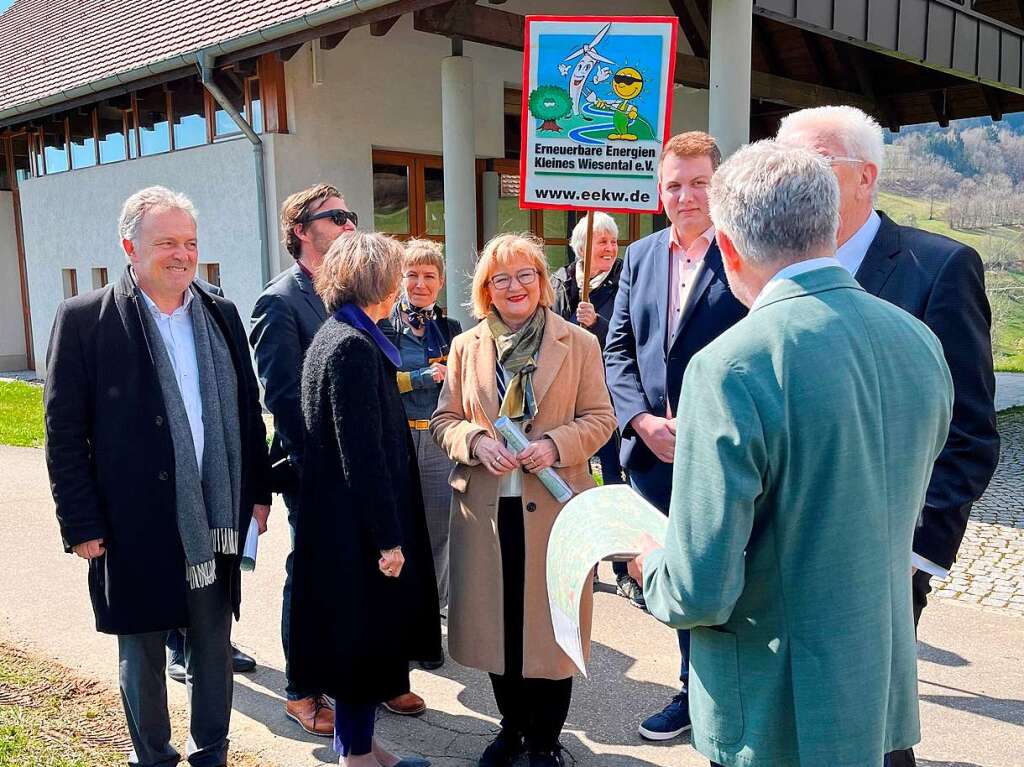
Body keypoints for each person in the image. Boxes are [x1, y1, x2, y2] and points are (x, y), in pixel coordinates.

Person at [631, 141, 954, 767]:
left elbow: (699, 588)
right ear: (829, 224)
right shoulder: (917, 340)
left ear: (726, 246)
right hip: (877, 680)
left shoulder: (729, 365)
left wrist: (648, 565)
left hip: (776, 700)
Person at [776, 106, 1000, 767]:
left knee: (869, 729)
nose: (795, 180)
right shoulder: (771, 264)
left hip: (881, 557)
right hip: (783, 547)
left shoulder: (939, 267)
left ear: (865, 175)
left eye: (813, 163)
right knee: (786, 718)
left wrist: (916, 551)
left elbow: (969, 430)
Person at [44, 186, 272, 767]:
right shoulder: (85, 321)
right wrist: (81, 523)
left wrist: (257, 494)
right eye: (167, 242)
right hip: (132, 521)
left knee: (213, 646)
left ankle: (211, 753)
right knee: (142, 651)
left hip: (214, 518)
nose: (182, 254)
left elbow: (248, 410)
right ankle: (152, 756)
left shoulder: (219, 313)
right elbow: (64, 434)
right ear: (130, 246)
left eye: (190, 242)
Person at [430, 233, 616, 767]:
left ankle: (544, 741)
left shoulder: (579, 343)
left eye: (526, 274)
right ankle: (510, 732)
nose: (515, 286)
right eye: (501, 278)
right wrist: (475, 441)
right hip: (486, 511)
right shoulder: (466, 347)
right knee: (499, 629)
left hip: (556, 510)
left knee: (552, 633)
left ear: (542, 280)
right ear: (487, 289)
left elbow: (602, 419)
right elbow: (445, 419)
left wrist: (555, 445)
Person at [603, 131, 746, 741]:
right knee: (674, 579)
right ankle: (692, 693)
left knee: (726, 575)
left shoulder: (747, 252)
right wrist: (639, 420)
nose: (686, 196)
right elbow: (617, 351)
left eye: (699, 183)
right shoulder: (639, 257)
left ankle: (731, 698)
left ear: (720, 186)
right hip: (653, 456)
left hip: (721, 451)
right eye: (673, 185)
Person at [288, 231, 441, 767]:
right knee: (361, 645)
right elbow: (362, 453)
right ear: (379, 282)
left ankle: (364, 746)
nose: (403, 283)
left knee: (368, 644)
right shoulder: (352, 347)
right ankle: (356, 759)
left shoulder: (344, 335)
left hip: (342, 524)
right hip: (357, 532)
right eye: (397, 274)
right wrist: (388, 537)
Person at [249, 183, 359, 735]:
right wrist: (321, 469)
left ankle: (355, 680)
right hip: (314, 469)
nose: (347, 224)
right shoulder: (281, 300)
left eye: (350, 215)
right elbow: (284, 400)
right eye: (335, 216)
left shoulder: (348, 294)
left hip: (356, 464)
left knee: (353, 573)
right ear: (301, 230)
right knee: (312, 574)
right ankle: (300, 689)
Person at [379, 239, 462, 664]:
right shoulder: (383, 328)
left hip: (436, 440)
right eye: (412, 274)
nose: (420, 283)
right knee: (397, 532)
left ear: (441, 282)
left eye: (429, 276)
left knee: (437, 534)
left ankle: (431, 616)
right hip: (396, 439)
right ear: (399, 279)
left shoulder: (450, 331)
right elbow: (381, 384)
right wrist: (424, 377)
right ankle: (396, 620)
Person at [549, 213, 631, 596]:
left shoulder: (623, 282)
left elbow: (626, 334)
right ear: (581, 248)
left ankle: (625, 569)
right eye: (602, 243)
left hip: (607, 398)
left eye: (613, 243)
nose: (610, 250)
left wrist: (597, 322)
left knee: (614, 482)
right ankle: (584, 565)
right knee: (574, 479)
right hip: (568, 396)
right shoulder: (559, 282)